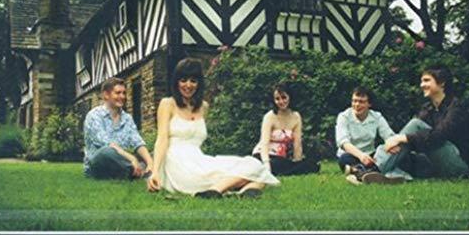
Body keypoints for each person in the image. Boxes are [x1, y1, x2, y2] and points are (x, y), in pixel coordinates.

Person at [147, 58, 279, 198]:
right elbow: (161, 139)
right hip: (176, 163)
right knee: (257, 175)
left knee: (255, 165)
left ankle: (225, 191)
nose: (188, 85)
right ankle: (228, 188)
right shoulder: (168, 104)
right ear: (176, 82)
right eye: (183, 80)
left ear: (199, 83)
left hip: (199, 159)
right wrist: (155, 172)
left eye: (193, 81)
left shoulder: (203, 107)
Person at [349, 66, 469, 185]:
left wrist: (402, 138)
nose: (422, 85)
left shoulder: (456, 107)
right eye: (422, 81)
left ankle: (373, 170)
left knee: (414, 126)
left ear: (442, 83)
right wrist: (398, 142)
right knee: (403, 156)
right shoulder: (428, 108)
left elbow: (438, 137)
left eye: (427, 80)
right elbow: (415, 138)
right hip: (436, 163)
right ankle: (391, 176)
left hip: (461, 166)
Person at [83, 77, 153, 179]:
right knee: (106, 152)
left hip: (122, 161)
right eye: (118, 93)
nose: (122, 96)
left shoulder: (127, 118)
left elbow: (137, 142)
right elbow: (108, 144)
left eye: (124, 93)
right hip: (99, 164)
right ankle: (139, 172)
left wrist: (150, 162)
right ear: (106, 95)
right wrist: (132, 158)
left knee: (155, 153)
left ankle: (141, 170)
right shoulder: (94, 116)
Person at [252, 82, 320, 176]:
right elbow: (264, 143)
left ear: (290, 97)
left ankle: (291, 168)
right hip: (264, 156)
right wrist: (266, 163)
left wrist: (297, 161)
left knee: (311, 165)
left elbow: (297, 143)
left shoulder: (296, 116)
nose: (281, 101)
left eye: (284, 97)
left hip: (282, 159)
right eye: (277, 99)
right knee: (276, 164)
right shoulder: (269, 117)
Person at [335, 86, 395, 175]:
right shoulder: (344, 117)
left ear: (369, 104)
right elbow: (343, 142)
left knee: (387, 151)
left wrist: (391, 145)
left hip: (371, 155)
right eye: (354, 101)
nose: (357, 105)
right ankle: (371, 171)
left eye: (361, 102)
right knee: (344, 159)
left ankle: (360, 171)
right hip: (351, 155)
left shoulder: (376, 117)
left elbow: (388, 135)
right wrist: (361, 155)